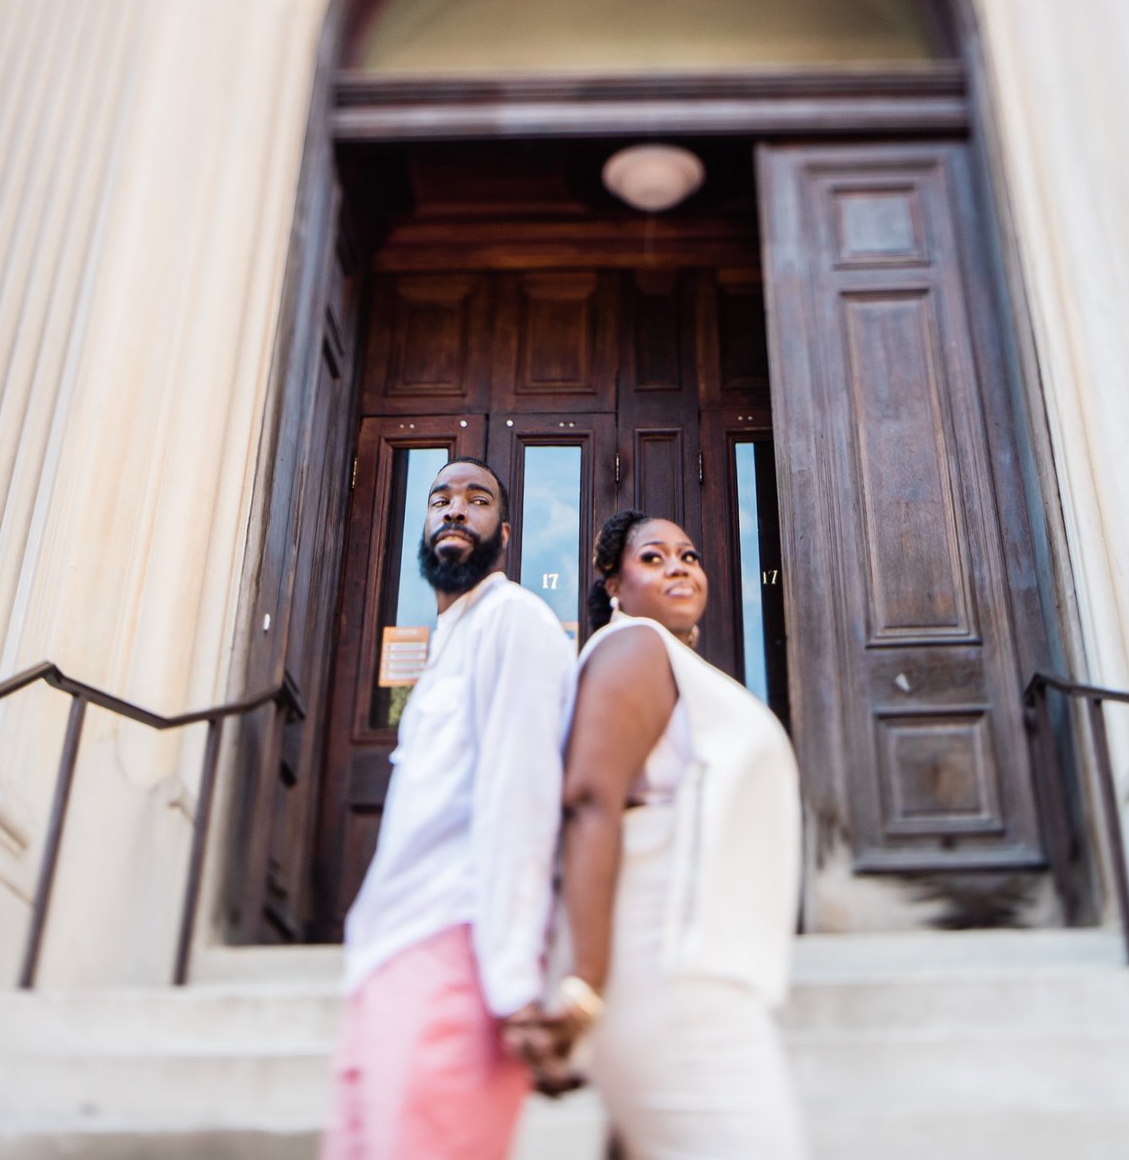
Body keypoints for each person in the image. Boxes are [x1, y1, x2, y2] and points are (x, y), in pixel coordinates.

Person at [531, 509, 809, 1160]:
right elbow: (591, 799)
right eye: (652, 557)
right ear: (612, 585)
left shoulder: (674, 667)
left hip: (692, 970)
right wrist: (584, 984)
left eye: (687, 555)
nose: (678, 566)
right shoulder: (632, 646)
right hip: (669, 971)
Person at [323, 457, 578, 1160]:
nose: (456, 509)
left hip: (457, 954)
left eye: (478, 498)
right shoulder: (445, 648)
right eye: (440, 498)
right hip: (385, 957)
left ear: (505, 528)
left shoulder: (516, 621)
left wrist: (515, 980)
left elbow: (521, 795)